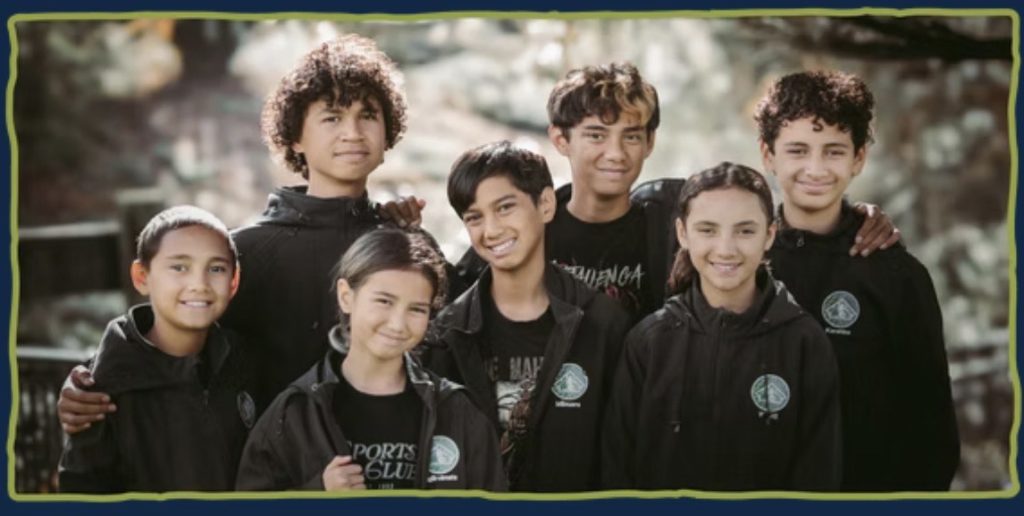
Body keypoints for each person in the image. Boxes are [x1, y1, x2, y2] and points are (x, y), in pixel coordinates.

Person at [57, 34, 441, 427]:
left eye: (368, 115)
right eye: (332, 117)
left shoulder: (408, 246)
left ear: (388, 129)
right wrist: (91, 382)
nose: (353, 132)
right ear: (295, 136)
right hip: (269, 467)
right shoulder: (244, 251)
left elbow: (451, 343)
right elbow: (171, 338)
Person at [459, 62, 900, 323]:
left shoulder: (670, 213)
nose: (615, 153)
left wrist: (850, 218)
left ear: (650, 142)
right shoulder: (528, 223)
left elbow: (752, 225)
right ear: (560, 140)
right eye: (596, 135)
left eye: (631, 136)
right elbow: (442, 297)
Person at [755, 70, 959, 491]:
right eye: (797, 150)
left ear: (859, 158)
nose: (815, 168)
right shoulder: (740, 261)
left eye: (834, 151)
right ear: (768, 155)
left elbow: (932, 427)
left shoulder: (897, 276)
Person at [602, 163, 841, 491]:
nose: (726, 249)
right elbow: (616, 472)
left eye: (745, 230)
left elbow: (818, 476)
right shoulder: (648, 342)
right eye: (708, 230)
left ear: (769, 234)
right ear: (683, 233)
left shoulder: (804, 342)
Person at [422, 141, 631, 492]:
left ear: (546, 204)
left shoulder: (604, 324)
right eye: (475, 217)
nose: (491, 230)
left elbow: (621, 458)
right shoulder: (446, 334)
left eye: (505, 208)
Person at [235, 228, 506, 491]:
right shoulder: (295, 412)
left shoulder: (457, 412)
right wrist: (317, 493)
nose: (398, 324)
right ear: (346, 296)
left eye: (416, 309)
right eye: (384, 301)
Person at [58, 206, 254, 492]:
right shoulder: (101, 393)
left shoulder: (243, 361)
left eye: (216, 269)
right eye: (179, 267)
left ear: (233, 281)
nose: (199, 284)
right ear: (142, 277)